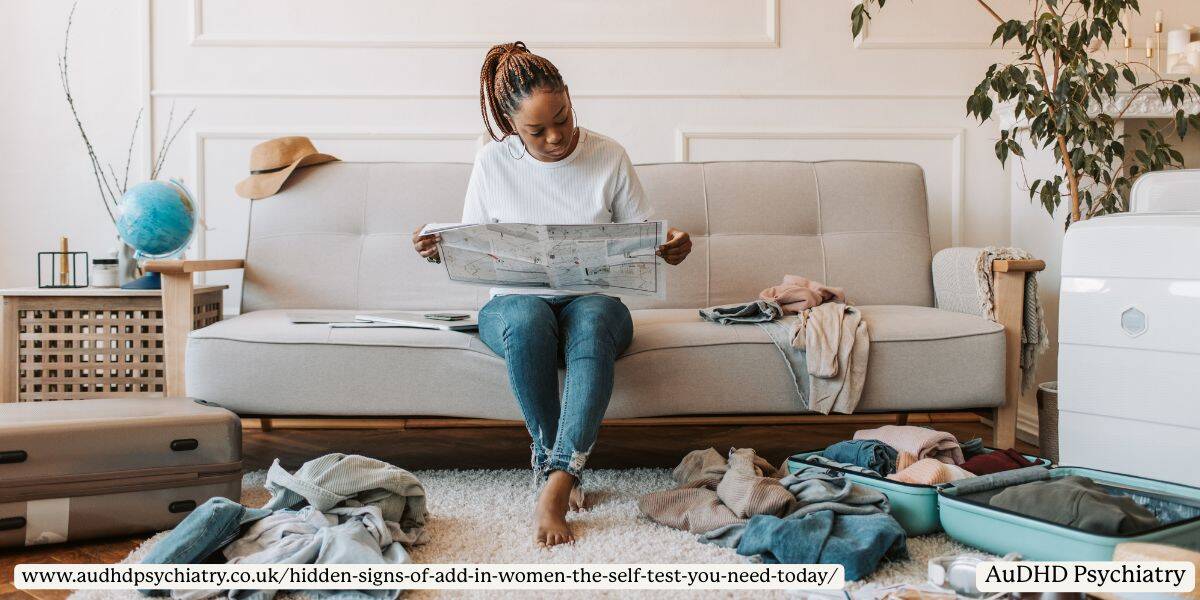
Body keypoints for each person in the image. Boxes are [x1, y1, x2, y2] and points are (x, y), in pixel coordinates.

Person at [412, 41, 692, 547]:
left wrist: (670, 246)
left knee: (593, 320)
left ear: (568, 96)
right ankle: (551, 461)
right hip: (514, 304)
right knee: (526, 318)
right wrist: (438, 250)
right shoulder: (492, 162)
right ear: (509, 123)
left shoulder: (608, 155)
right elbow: (473, 243)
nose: (556, 136)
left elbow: (644, 238)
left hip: (594, 303)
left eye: (562, 118)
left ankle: (558, 480)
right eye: (536, 130)